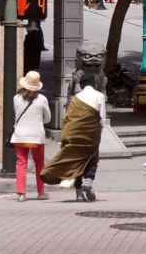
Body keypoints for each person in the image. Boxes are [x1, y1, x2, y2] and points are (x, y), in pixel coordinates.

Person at [41, 74, 105, 202]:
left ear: (81, 85)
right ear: (94, 84)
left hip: (74, 134)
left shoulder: (76, 98)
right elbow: (102, 118)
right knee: (92, 159)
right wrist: (97, 134)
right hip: (91, 135)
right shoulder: (99, 96)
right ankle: (88, 181)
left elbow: (69, 118)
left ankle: (79, 192)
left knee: (75, 162)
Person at [11, 71, 51, 202]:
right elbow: (48, 118)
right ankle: (41, 192)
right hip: (36, 136)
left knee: (21, 163)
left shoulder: (16, 98)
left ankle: (21, 193)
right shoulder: (42, 99)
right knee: (39, 163)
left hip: (20, 136)